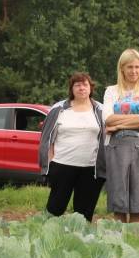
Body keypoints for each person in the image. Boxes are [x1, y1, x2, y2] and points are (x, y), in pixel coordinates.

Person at [38, 72, 107, 221]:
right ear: (72, 88)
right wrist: (49, 164)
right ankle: (49, 239)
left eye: (85, 84)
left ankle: (79, 242)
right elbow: (47, 138)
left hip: (90, 169)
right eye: (77, 85)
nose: (81, 88)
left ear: (91, 88)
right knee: (55, 209)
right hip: (62, 165)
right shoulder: (59, 109)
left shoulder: (101, 110)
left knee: (83, 215)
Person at [102, 49, 139, 225]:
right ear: (122, 68)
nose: (134, 71)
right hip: (116, 149)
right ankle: (118, 243)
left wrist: (117, 125)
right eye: (130, 67)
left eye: (137, 67)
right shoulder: (111, 91)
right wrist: (137, 120)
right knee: (119, 202)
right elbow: (107, 118)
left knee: (137, 203)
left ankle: (134, 244)